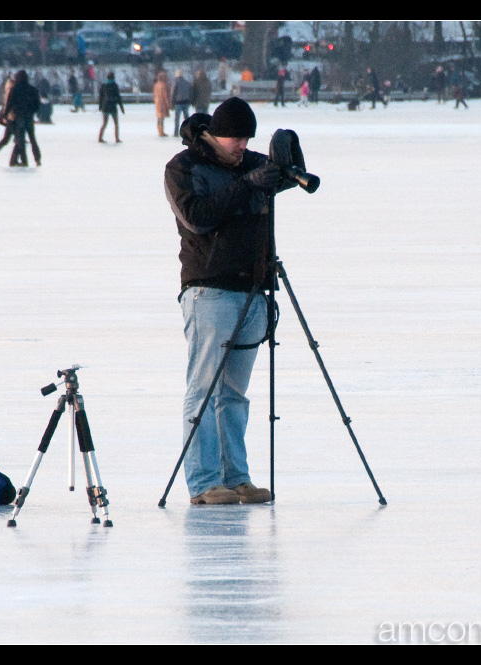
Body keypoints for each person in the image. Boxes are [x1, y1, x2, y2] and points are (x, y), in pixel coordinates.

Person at [163, 97, 299, 505]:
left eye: (247, 138)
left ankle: (236, 477)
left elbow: (288, 177)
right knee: (203, 389)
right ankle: (204, 483)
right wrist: (247, 186)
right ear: (214, 134)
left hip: (253, 288)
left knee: (234, 393)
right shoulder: (184, 168)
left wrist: (287, 159)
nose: (242, 145)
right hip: (209, 289)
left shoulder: (250, 163)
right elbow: (198, 216)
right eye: (235, 138)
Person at [4, 69, 42, 167]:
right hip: (29, 117)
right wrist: (32, 112)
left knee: (21, 141)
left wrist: (5, 115)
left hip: (19, 117)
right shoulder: (32, 89)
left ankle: (24, 161)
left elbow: (9, 103)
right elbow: (37, 105)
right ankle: (37, 159)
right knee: (32, 139)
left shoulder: (15, 89)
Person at [97, 71, 125, 143]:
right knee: (116, 123)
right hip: (112, 107)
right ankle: (117, 138)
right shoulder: (115, 85)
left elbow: (101, 97)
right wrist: (121, 108)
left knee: (104, 123)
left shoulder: (103, 85)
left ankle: (100, 138)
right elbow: (118, 97)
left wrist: (100, 107)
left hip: (105, 106)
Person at [172, 70, 192, 137]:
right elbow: (190, 92)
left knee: (177, 118)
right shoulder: (187, 82)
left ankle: (176, 133)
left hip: (178, 103)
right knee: (186, 118)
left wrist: (172, 102)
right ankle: (188, 133)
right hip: (186, 102)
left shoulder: (175, 82)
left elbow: (173, 93)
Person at [153, 70, 172, 137]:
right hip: (162, 103)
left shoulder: (156, 85)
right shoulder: (164, 85)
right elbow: (165, 95)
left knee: (159, 117)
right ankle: (161, 132)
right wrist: (168, 104)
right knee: (161, 117)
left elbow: (154, 95)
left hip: (157, 102)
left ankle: (160, 131)